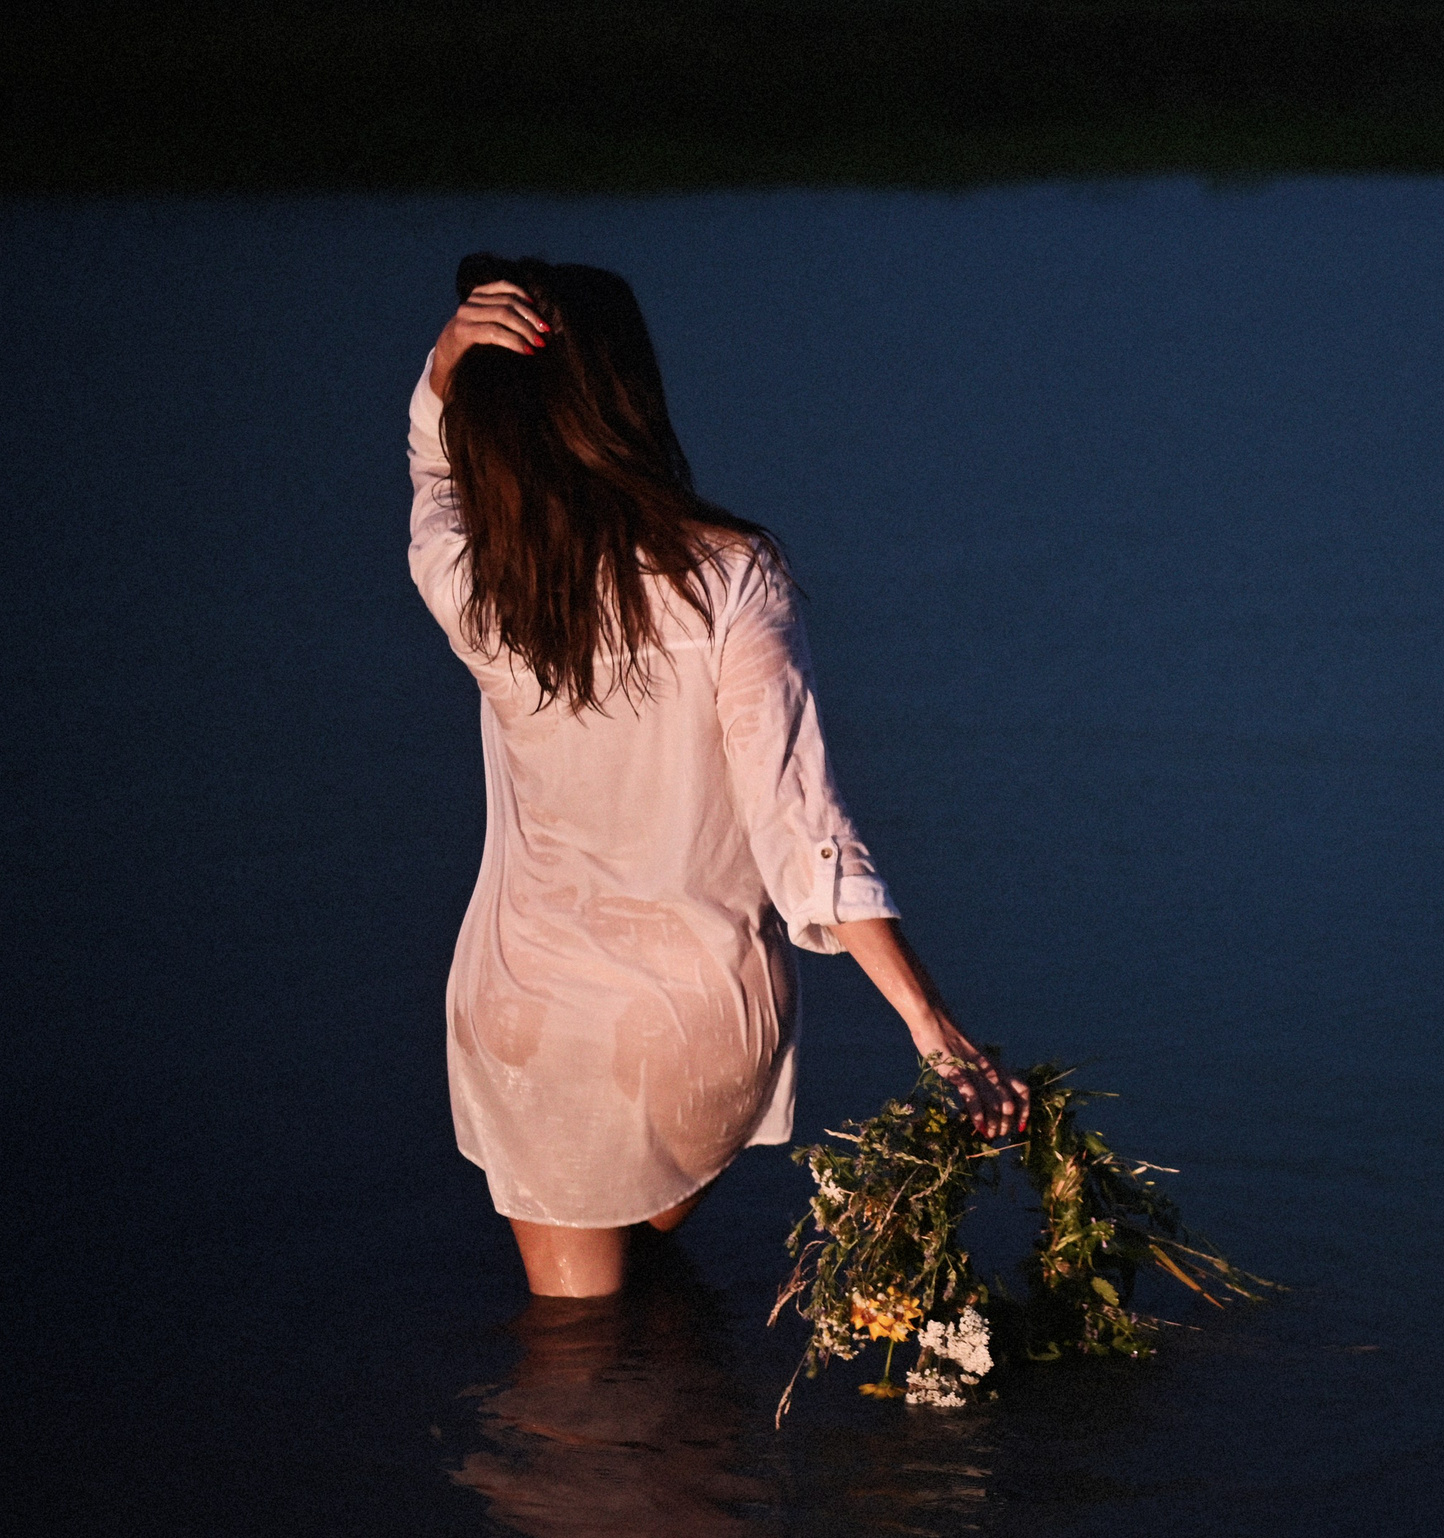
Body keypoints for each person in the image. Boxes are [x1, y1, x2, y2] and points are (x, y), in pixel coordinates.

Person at [407, 254, 1027, 1298]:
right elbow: (798, 822)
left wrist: (440, 365)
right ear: (629, 398)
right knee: (639, 1286)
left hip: (540, 1020)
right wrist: (932, 1027)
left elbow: (433, 478)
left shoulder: (475, 591)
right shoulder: (732, 575)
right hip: (708, 1025)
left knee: (576, 1362)